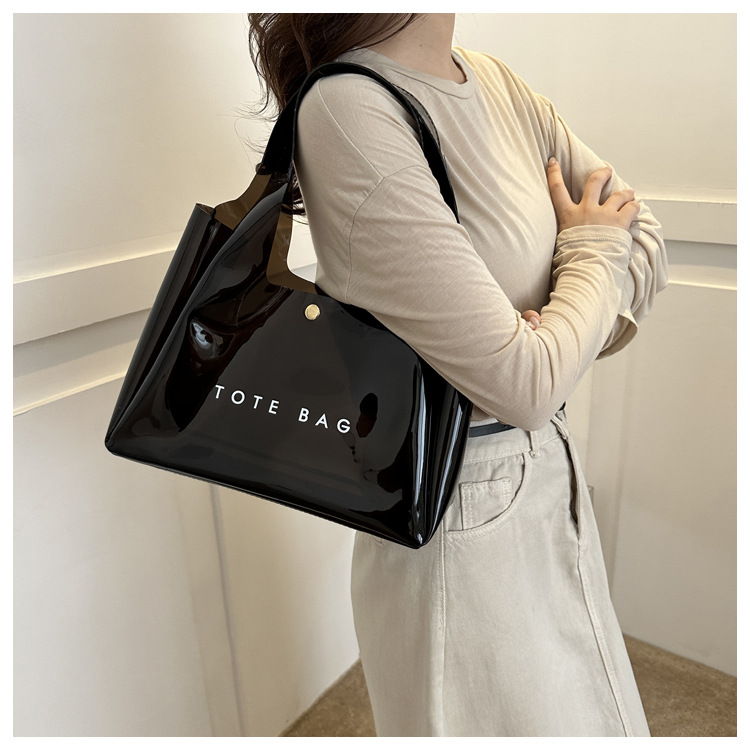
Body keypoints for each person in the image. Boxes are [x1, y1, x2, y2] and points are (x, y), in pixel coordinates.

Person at [247, 13, 668, 737]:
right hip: (454, 517)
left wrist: (552, 337)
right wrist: (589, 256)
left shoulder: (497, 83)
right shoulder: (350, 108)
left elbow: (648, 239)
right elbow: (526, 383)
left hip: (548, 479)